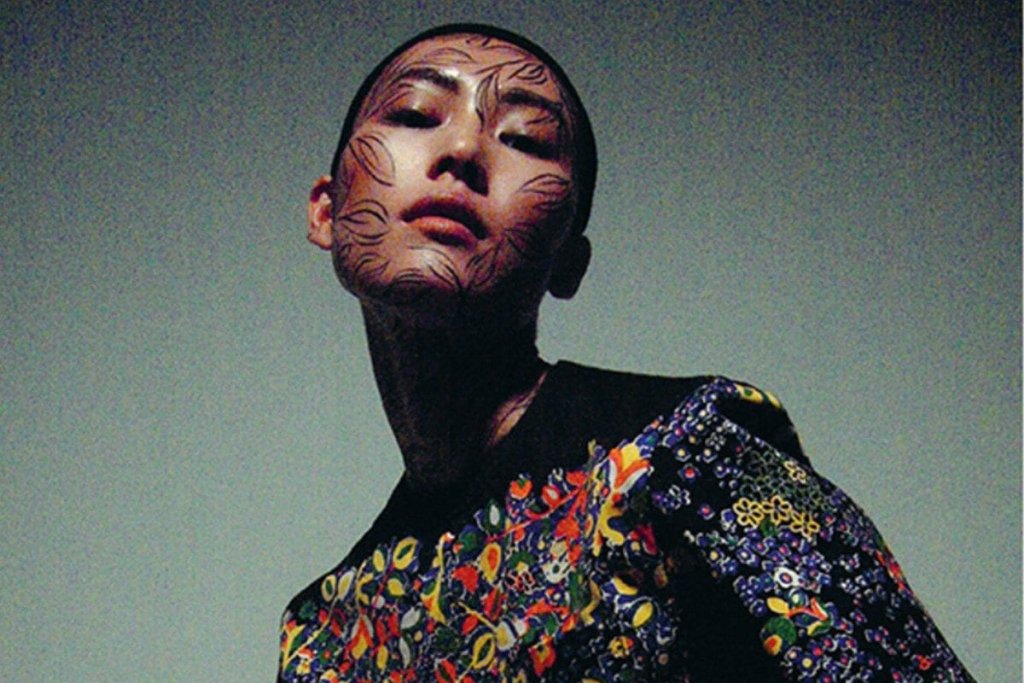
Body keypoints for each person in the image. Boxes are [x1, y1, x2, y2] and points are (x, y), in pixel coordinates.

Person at [279, 24, 972, 682]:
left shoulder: (685, 448)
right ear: (326, 211)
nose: (462, 149)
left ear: (568, 261)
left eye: (524, 138)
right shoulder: (327, 630)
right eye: (414, 114)